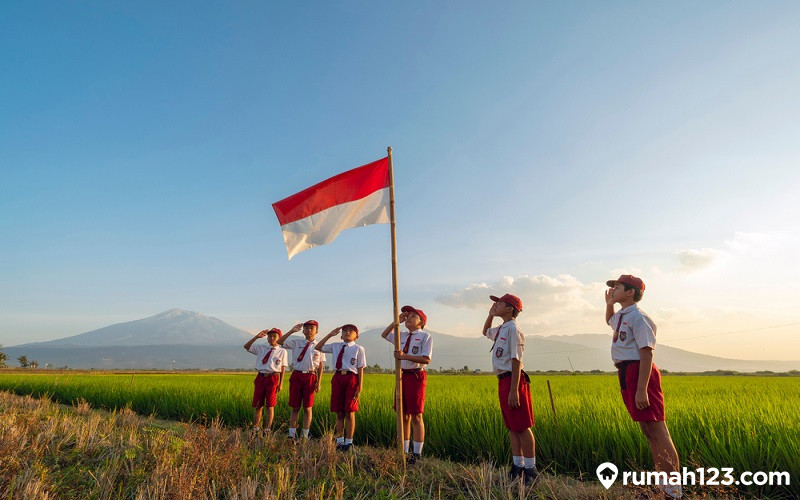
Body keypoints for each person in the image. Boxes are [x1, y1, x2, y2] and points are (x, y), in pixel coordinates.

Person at [605, 275, 682, 499]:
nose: (612, 290)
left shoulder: (639, 317)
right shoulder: (621, 315)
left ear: (630, 292)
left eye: (617, 287)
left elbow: (647, 352)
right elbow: (609, 321)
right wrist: (608, 305)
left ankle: (674, 492)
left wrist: (641, 389)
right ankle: (663, 486)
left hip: (640, 372)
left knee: (658, 431)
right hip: (626, 372)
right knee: (648, 431)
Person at [482, 293, 538, 484]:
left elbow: (516, 360)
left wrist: (514, 390)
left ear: (509, 308)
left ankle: (531, 470)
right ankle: (517, 467)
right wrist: (490, 314)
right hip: (503, 380)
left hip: (514, 380)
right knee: (512, 426)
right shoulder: (501, 329)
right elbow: (485, 331)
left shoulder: (513, 329)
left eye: (499, 303)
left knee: (522, 426)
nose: (495, 305)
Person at [381, 305, 432, 464]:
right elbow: (384, 334)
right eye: (407, 316)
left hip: (416, 376)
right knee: (403, 415)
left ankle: (416, 454)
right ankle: (404, 451)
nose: (408, 318)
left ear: (421, 321)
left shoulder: (425, 337)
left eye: (412, 316)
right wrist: (397, 321)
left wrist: (405, 356)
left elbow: (426, 359)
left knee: (416, 415)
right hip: (401, 377)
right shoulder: (401, 335)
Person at [316, 324, 366, 452]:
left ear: (357, 335)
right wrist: (329, 335)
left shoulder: (358, 348)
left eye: (351, 331)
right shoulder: (336, 346)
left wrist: (360, 387)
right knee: (339, 412)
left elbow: (360, 368)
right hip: (338, 378)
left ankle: (349, 442)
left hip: (351, 379)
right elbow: (318, 347)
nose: (347, 332)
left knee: (350, 411)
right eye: (345, 331)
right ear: (341, 334)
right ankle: (339, 440)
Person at [277, 320, 326, 440]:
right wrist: (292, 331)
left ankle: (305, 435)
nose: (309, 330)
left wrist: (318, 383)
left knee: (307, 407)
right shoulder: (296, 342)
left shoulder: (319, 346)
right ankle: (291, 434)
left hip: (310, 376)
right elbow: (279, 341)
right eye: (307, 328)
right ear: (303, 330)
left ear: (316, 331)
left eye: (312, 328)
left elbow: (320, 366)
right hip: (297, 376)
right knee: (295, 407)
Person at [243, 327, 288, 431]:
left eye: (274, 336)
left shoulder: (282, 351)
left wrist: (281, 384)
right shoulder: (261, 348)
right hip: (260, 377)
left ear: (279, 338)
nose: (271, 338)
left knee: (270, 405)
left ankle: (268, 429)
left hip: (272, 378)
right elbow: (246, 346)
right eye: (270, 336)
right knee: (258, 405)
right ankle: (256, 428)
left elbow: (283, 368)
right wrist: (256, 337)